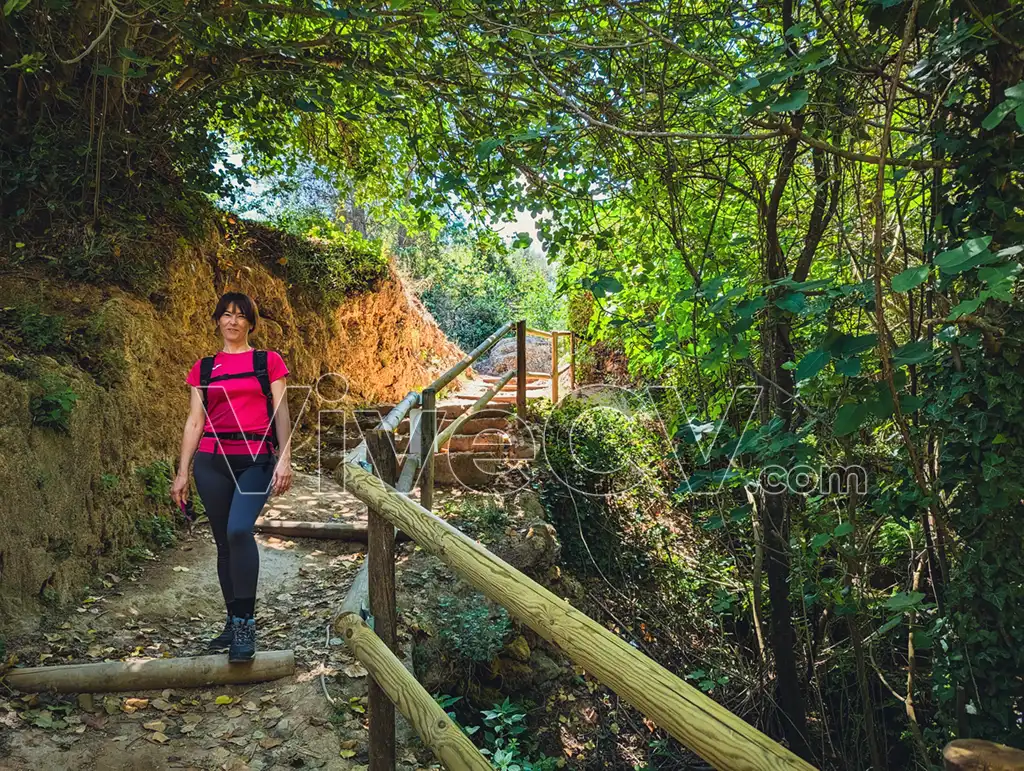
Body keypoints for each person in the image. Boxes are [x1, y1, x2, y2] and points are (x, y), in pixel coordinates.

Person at [170, 292, 294, 662]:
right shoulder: (204, 369)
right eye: (225, 315)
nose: (232, 321)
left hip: (256, 458)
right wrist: (182, 472)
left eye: (240, 316)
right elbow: (195, 421)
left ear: (250, 323)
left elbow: (282, 413)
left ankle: (245, 624)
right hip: (211, 460)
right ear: (217, 321)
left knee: (240, 531)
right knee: (224, 542)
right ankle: (231, 621)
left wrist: (284, 458)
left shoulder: (267, 362)